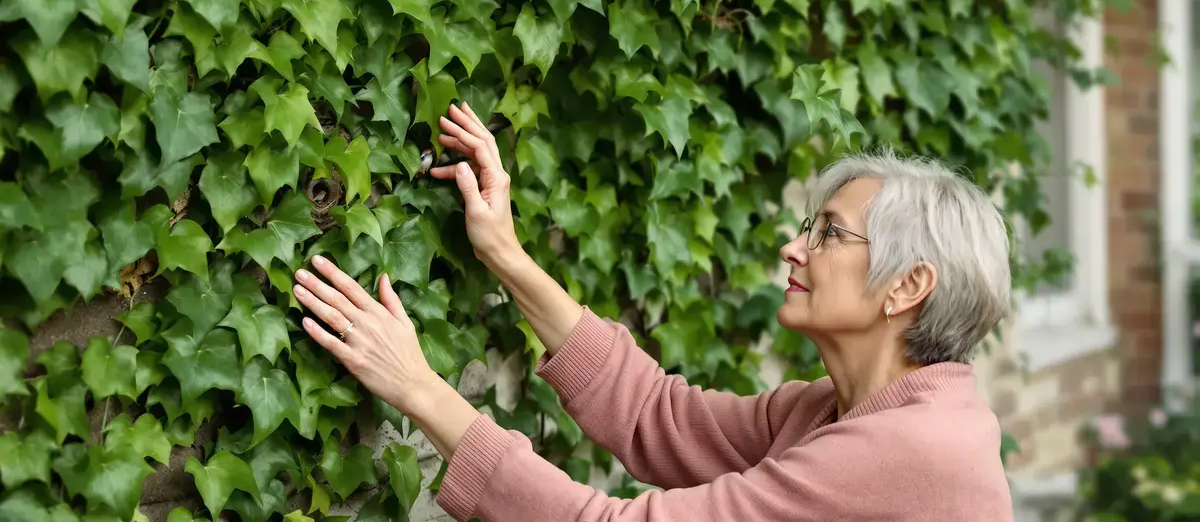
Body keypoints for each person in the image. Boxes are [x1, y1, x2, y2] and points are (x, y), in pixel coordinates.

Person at [292, 102, 1016, 522]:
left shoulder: (909, 451)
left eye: (828, 232)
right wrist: (507, 255)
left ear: (907, 285)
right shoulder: (836, 411)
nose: (795, 250)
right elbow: (661, 417)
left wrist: (419, 388)